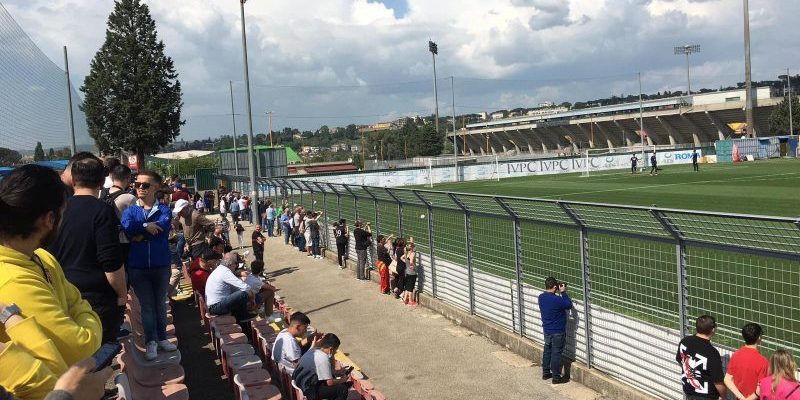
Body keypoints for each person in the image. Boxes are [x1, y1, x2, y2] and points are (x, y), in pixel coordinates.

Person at [0, 165, 102, 381]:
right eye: (63, 214)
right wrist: (84, 314)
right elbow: (80, 347)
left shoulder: (42, 257)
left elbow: (75, 300)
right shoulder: (13, 280)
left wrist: (77, 309)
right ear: (49, 219)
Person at [48, 154, 126, 344]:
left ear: (73, 180)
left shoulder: (58, 211)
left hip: (63, 295)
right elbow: (111, 263)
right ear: (101, 181)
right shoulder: (103, 212)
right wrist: (122, 294)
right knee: (100, 357)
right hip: (97, 299)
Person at [121, 170, 177, 361]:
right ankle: (151, 341)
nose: (140, 189)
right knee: (147, 306)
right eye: (137, 185)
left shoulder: (164, 210)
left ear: (156, 188)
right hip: (138, 266)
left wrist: (139, 233)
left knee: (160, 304)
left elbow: (161, 230)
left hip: (161, 265)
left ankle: (162, 338)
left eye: (145, 185)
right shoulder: (130, 210)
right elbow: (127, 227)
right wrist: (145, 227)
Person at [676, 315, 726, 400]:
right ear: (713, 330)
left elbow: (680, 360)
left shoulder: (685, 341)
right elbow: (718, 382)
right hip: (707, 396)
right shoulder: (712, 352)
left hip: (689, 391)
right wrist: (723, 396)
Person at [292, 333, 351, 400]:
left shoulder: (313, 351)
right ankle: (343, 386)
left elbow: (325, 372)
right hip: (308, 390)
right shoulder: (323, 358)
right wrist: (342, 380)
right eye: (335, 350)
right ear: (331, 349)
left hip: (301, 383)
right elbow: (330, 383)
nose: (335, 353)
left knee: (333, 382)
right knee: (342, 389)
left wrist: (338, 373)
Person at [538, 277, 572, 384]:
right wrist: (563, 292)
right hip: (558, 331)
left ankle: (545, 372)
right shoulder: (558, 300)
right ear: (554, 287)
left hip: (547, 330)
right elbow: (568, 305)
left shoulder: (541, 297)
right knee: (556, 353)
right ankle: (556, 378)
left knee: (547, 351)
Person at [104, 165, 137, 273]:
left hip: (106, 240)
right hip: (123, 241)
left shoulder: (101, 194)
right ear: (128, 178)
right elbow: (135, 222)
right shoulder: (129, 198)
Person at [205, 252, 255, 322]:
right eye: (236, 264)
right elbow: (246, 287)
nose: (236, 266)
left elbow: (235, 287)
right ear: (231, 263)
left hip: (214, 305)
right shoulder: (225, 272)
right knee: (243, 294)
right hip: (216, 307)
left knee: (239, 293)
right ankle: (242, 316)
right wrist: (253, 299)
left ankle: (240, 315)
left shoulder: (220, 269)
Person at [725, 323, 769, 400]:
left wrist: (741, 397)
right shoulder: (763, 361)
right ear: (759, 338)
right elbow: (761, 390)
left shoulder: (736, 355)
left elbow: (727, 379)